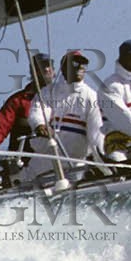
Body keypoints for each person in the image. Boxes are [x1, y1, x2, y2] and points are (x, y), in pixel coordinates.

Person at [19, 50, 106, 184]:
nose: (80, 67)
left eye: (83, 64)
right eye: (75, 63)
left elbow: (96, 137)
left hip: (74, 165)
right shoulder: (48, 91)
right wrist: (40, 124)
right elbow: (38, 110)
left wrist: (105, 166)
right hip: (43, 160)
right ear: (64, 68)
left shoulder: (91, 97)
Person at [0, 52, 56, 153]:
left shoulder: (63, 99)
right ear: (33, 71)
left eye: (49, 66)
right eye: (41, 66)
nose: (46, 69)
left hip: (56, 156)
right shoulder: (17, 101)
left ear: (54, 71)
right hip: (23, 157)